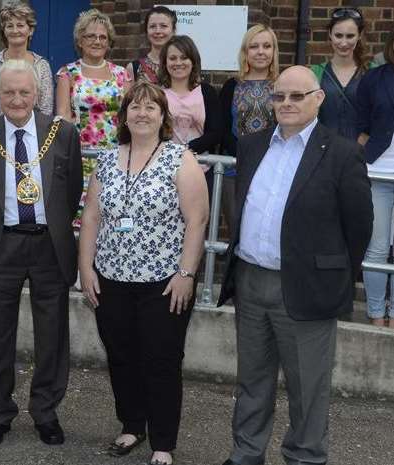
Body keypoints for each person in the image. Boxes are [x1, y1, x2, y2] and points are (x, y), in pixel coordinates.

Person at [217, 66, 373, 465]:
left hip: (305, 288)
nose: (285, 103)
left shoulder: (341, 152)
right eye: (278, 96)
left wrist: (328, 275)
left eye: (296, 96)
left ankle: (305, 458)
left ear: (318, 99)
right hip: (251, 282)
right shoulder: (252, 145)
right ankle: (246, 454)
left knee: (308, 386)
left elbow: (358, 226)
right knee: (252, 380)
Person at [79, 81, 208, 465]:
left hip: (165, 281)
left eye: (151, 107)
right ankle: (132, 425)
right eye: (134, 106)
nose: (142, 113)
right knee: (121, 356)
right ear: (124, 117)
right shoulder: (106, 159)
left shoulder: (179, 157)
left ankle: (163, 443)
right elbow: (91, 216)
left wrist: (186, 272)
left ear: (163, 116)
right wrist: (85, 268)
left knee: (161, 360)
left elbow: (197, 220)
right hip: (112, 278)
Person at [0, 59, 83, 448]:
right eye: (9, 92)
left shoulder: (62, 134)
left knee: (52, 336)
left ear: (38, 94)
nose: (17, 99)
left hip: (50, 245)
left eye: (24, 92)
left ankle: (46, 412)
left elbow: (69, 193)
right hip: (4, 244)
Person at [55, 8, 131, 227]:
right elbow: (62, 116)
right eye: (90, 36)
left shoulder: (121, 75)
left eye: (102, 37)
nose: (97, 41)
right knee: (79, 222)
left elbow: (129, 116)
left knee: (113, 220)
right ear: (80, 40)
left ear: (109, 42)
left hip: (115, 158)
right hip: (80, 157)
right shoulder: (67, 73)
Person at [219, 24, 279, 236]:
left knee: (266, 230)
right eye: (254, 46)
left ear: (274, 51)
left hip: (272, 168)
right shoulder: (231, 85)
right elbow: (222, 129)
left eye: (266, 46)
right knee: (237, 230)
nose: (261, 52)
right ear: (245, 52)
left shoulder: (282, 85)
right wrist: (244, 153)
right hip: (234, 168)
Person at [356, 27, 394, 327]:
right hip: (379, 171)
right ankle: (378, 314)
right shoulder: (375, 78)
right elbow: (361, 123)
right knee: (378, 247)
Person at [0, 1, 54, 126]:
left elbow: (46, 109)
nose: (15, 30)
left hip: (31, 136)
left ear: (31, 30)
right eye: (9, 26)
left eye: (20, 25)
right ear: (4, 30)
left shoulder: (41, 65)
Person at [159, 35, 221, 193]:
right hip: (164, 171)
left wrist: (185, 151)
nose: (178, 63)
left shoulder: (206, 92)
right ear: (165, 63)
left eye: (184, 57)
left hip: (201, 170)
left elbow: (216, 132)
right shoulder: (158, 94)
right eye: (172, 58)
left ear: (193, 61)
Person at [311, 7, 374, 141]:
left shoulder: (371, 71)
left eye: (350, 36)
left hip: (361, 153)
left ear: (360, 35)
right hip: (323, 151)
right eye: (338, 35)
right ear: (330, 34)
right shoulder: (316, 72)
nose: (343, 43)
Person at [126, 5, 176, 84]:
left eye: (163, 26)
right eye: (152, 26)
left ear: (173, 30)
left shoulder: (182, 66)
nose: (158, 31)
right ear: (147, 31)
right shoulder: (133, 68)